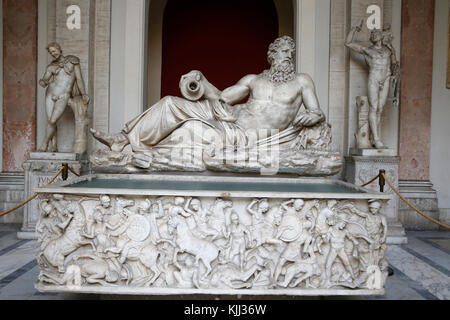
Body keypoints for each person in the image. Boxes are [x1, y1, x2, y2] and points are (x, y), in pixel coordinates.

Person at [90, 36, 325, 154]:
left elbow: (316, 112)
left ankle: (145, 151)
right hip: (230, 117)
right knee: (170, 102)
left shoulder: (301, 81)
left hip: (247, 136)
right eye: (284, 51)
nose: (288, 56)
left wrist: (312, 116)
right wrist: (201, 80)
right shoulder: (254, 80)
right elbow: (222, 98)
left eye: (291, 53)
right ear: (272, 55)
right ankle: (122, 139)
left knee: (189, 130)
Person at [345, 21, 398, 149]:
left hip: (385, 78)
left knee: (380, 108)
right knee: (373, 108)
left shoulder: (388, 50)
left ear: (380, 36)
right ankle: (376, 138)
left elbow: (394, 64)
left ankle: (374, 138)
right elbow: (348, 43)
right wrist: (354, 29)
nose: (374, 35)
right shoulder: (368, 50)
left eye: (376, 33)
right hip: (374, 78)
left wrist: (395, 74)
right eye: (372, 34)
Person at [38, 42, 90, 152]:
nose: (53, 53)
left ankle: (44, 144)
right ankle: (54, 146)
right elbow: (45, 80)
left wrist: (84, 93)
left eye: (54, 51)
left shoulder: (72, 60)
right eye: (51, 52)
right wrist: (42, 82)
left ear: (59, 49)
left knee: (52, 120)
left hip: (63, 95)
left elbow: (79, 79)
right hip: (50, 94)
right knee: (50, 121)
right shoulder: (51, 66)